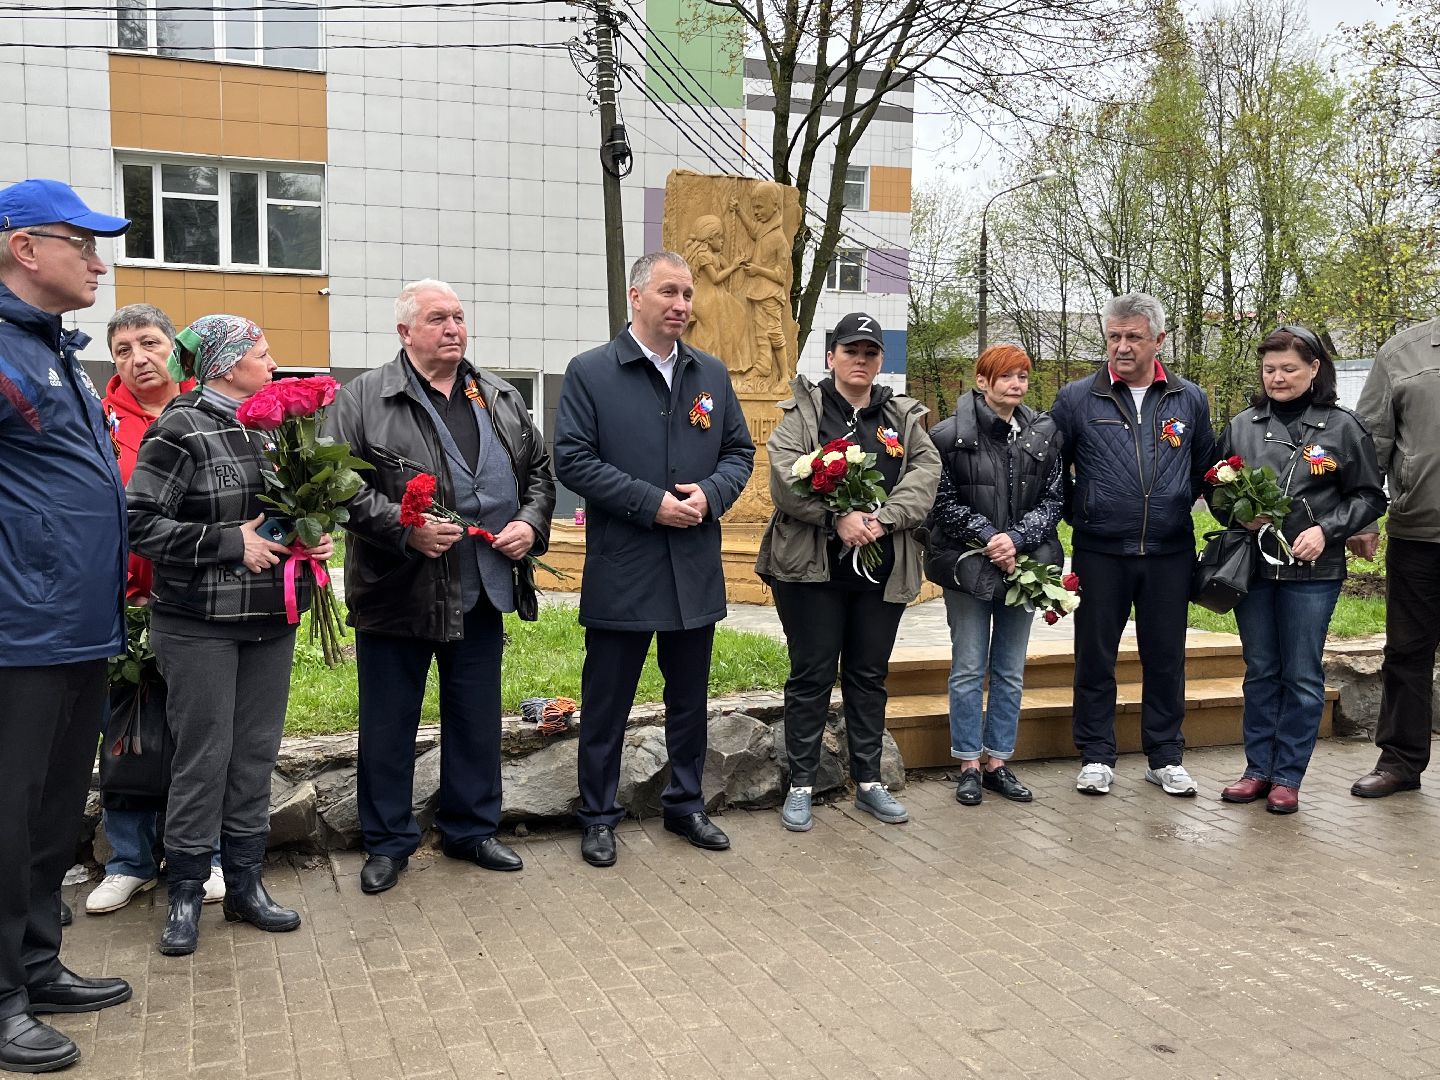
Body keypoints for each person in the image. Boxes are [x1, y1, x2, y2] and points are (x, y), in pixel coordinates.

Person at [328, 280, 555, 895]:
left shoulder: (501, 396)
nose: (454, 327)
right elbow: (336, 484)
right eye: (437, 318)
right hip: (398, 590)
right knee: (389, 723)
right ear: (405, 332)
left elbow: (540, 473)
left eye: (459, 317)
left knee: (476, 718)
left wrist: (529, 526)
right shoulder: (363, 398)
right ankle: (387, 842)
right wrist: (404, 532)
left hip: (482, 587)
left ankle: (472, 830)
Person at [128, 314, 332, 956]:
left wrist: (309, 540)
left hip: (270, 623)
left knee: (254, 756)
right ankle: (186, 891)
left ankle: (246, 886)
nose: (272, 363)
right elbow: (138, 524)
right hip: (198, 626)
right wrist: (227, 543)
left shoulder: (271, 429)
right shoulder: (179, 427)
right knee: (203, 756)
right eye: (262, 353)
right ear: (222, 363)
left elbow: (279, 518)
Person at [554, 251, 755, 867]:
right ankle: (597, 815)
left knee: (689, 699)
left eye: (689, 294)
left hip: (693, 570)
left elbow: (739, 453)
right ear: (635, 297)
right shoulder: (590, 372)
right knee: (608, 700)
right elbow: (574, 460)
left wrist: (711, 495)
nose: (682, 305)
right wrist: (651, 504)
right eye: (670, 292)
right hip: (625, 568)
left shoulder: (711, 375)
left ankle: (685, 804)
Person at [0, 178, 135, 1072]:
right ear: (23, 249)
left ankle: (37, 966)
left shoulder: (52, 351)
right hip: (19, 631)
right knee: (6, 819)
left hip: (77, 625)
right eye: (80, 243)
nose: (98, 261)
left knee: (50, 816)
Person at [755, 312, 939, 831]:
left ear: (880, 361)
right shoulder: (804, 412)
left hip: (881, 571)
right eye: (851, 351)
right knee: (811, 676)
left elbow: (926, 473)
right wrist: (837, 518)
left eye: (870, 352)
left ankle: (870, 782)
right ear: (831, 356)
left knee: (867, 676)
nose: (861, 360)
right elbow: (785, 478)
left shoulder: (900, 416)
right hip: (812, 573)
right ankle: (802, 784)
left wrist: (881, 519)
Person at [1212, 326, 1384, 813]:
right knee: (1261, 669)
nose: (1278, 378)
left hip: (1314, 573)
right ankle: (1256, 769)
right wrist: (1238, 514)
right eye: (1269, 369)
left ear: (1314, 369)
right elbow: (1217, 490)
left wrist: (1327, 531)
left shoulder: (1342, 426)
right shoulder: (1242, 424)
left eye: (1289, 368)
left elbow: (1370, 495)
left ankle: (1288, 775)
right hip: (1255, 569)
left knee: (1303, 675)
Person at [1050, 293, 1216, 797]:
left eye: (1133, 338)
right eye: (1114, 337)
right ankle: (1097, 754)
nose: (1121, 347)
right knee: (1094, 656)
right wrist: (1084, 512)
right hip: (1101, 552)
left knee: (1166, 656)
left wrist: (1241, 519)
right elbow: (1052, 476)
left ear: (1159, 341)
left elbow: (1208, 472)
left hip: (1169, 551)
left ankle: (1165, 756)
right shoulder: (1077, 398)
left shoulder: (1189, 398)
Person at [88, 304, 224, 916]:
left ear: (176, 348)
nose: (137, 358)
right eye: (122, 349)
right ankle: (130, 861)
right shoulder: (98, 419)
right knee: (127, 739)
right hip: (123, 606)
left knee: (202, 735)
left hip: (202, 605)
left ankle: (204, 854)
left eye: (149, 343)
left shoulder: (211, 410)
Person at [925, 344, 1063, 808]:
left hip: (1023, 565)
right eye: (1006, 376)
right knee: (968, 668)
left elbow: (1054, 500)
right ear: (982, 381)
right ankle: (966, 763)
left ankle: (998, 761)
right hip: (968, 567)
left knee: (1009, 670)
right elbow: (941, 504)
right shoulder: (947, 436)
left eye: (1023, 377)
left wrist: (1017, 538)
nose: (1016, 385)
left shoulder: (1042, 434)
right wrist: (989, 536)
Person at [1348, 314, 1440, 798]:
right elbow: (1372, 441)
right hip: (1420, 532)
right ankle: (1401, 762)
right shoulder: (1402, 352)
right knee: (1407, 652)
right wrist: (1363, 516)